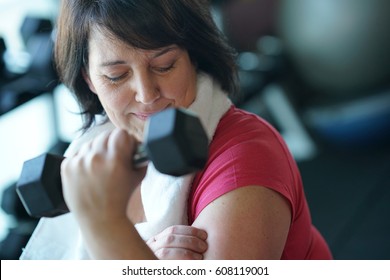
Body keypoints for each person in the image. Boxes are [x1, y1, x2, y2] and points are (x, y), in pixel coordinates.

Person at [20, 0, 332, 260]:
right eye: (116, 76)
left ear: (193, 58)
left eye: (164, 65)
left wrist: (105, 225)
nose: (146, 94)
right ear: (89, 80)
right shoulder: (91, 154)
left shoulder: (245, 157)